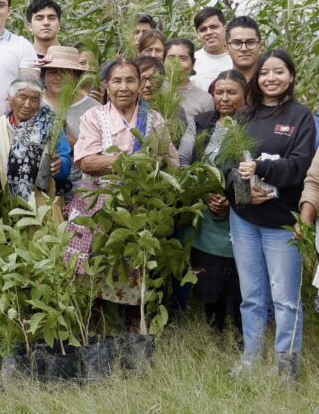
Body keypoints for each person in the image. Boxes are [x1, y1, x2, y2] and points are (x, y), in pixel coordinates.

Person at [226, 49, 315, 382]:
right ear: (256, 78)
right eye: (265, 73)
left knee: (285, 299)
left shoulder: (300, 116)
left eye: (279, 72)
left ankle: (286, 367)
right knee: (252, 296)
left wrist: (263, 168)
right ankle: (251, 359)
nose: (271, 78)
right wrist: (244, 187)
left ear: (290, 76)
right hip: (245, 217)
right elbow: (222, 163)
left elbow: (300, 166)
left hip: (282, 221)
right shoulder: (243, 115)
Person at [64, 59, 177, 307]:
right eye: (116, 81)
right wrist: (131, 161)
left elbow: (170, 161)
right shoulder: (94, 116)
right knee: (94, 262)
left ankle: (132, 319)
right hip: (98, 203)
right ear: (106, 85)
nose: (123, 87)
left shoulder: (154, 119)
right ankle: (95, 318)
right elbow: (86, 161)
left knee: (134, 260)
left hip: (140, 203)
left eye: (130, 80)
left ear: (140, 85)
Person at [177, 70, 248, 333]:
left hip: (242, 214)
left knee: (241, 283)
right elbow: (184, 162)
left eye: (232, 92)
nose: (225, 98)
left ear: (245, 95)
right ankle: (214, 332)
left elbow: (254, 168)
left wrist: (231, 201)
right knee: (209, 281)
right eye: (219, 92)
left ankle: (243, 335)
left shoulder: (251, 125)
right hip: (206, 218)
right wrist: (203, 192)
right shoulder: (202, 122)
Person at [0, 78, 73, 225]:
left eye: (34, 99)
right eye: (22, 97)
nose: (27, 105)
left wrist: (59, 165)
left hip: (44, 212)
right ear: (10, 99)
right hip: (5, 212)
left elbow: (65, 168)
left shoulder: (50, 126)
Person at [36, 46, 98, 193]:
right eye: (52, 72)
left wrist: (75, 144)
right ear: (43, 76)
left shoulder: (94, 109)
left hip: (83, 190)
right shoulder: (31, 103)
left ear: (76, 76)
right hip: (40, 190)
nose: (58, 77)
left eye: (65, 72)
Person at [164, 39, 215, 119]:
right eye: (171, 58)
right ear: (162, 61)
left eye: (183, 58)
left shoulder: (205, 100)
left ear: (193, 63)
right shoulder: (154, 91)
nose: (176, 64)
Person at [191, 7, 232, 92]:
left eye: (214, 27)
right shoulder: (191, 61)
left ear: (225, 28)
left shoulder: (238, 58)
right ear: (197, 34)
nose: (209, 32)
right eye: (203, 29)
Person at [226, 15, 262, 81]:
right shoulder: (219, 85)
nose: (244, 48)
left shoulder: (271, 83)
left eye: (250, 42)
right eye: (237, 43)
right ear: (227, 48)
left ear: (260, 47)